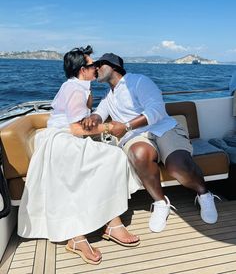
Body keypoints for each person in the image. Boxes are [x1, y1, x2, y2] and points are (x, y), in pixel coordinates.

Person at [18, 47, 139, 265]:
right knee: (114, 158)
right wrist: (110, 127)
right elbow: (75, 129)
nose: (96, 68)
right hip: (62, 142)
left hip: (63, 138)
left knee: (109, 158)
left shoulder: (79, 86)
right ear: (83, 70)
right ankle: (85, 233)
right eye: (93, 65)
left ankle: (110, 222)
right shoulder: (76, 89)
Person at [81, 52, 219, 233]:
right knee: (139, 153)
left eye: (99, 64)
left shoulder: (139, 81)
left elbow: (156, 110)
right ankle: (161, 203)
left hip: (163, 128)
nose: (96, 68)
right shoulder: (109, 95)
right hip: (136, 136)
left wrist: (127, 126)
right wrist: (93, 117)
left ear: (113, 66)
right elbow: (100, 112)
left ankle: (204, 194)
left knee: (177, 166)